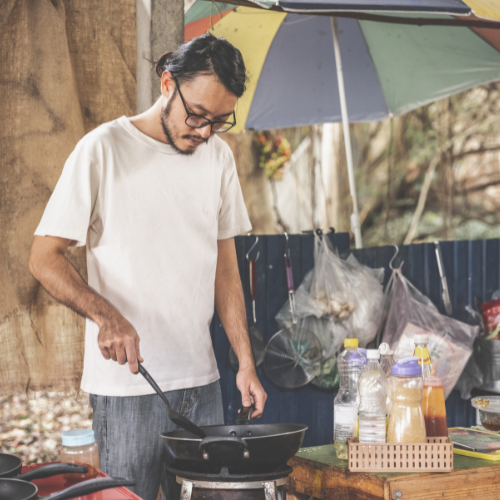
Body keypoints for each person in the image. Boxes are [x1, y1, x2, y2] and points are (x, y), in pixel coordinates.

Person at [29, 33, 267, 500]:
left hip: (203, 385)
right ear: (166, 84)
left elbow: (226, 272)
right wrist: (106, 316)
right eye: (196, 115)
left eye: (218, 122)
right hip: (126, 389)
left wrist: (244, 361)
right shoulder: (102, 150)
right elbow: (43, 258)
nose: (203, 132)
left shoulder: (219, 158)